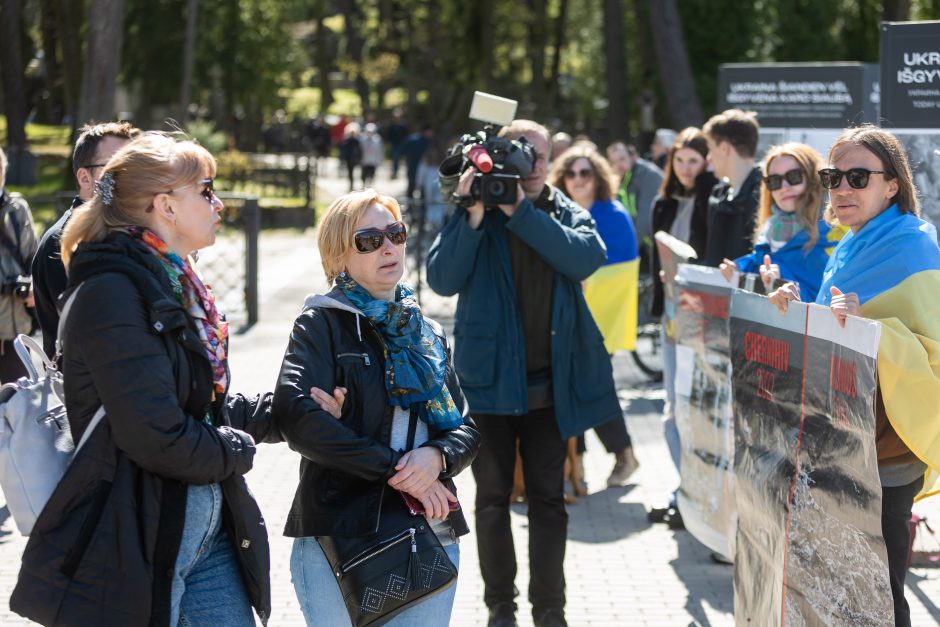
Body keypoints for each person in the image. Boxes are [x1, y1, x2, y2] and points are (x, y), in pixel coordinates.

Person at [10, 133, 278, 626]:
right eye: (206, 189)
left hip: (205, 523)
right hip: (140, 533)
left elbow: (198, 406)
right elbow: (155, 434)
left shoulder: (175, 280)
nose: (218, 203)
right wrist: (237, 452)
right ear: (166, 206)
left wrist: (289, 409)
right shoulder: (110, 292)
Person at [426, 119, 621, 627]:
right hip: (488, 386)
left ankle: (549, 610)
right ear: (497, 155)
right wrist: (471, 212)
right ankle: (500, 608)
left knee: (548, 502)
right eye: (518, 153)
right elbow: (442, 279)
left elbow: (583, 259)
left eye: (538, 154)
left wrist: (518, 210)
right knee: (490, 501)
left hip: (550, 388)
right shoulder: (476, 210)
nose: (530, 164)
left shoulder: (559, 208)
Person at [274, 189, 480, 626]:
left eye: (395, 233)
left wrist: (436, 456)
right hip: (340, 533)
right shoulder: (321, 324)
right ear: (338, 256)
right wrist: (401, 472)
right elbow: (298, 419)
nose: (389, 247)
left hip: (428, 529)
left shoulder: (427, 332)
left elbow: (466, 428)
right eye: (368, 240)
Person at [767, 125, 940, 627]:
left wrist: (871, 329)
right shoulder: (851, 245)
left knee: (881, 597)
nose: (841, 188)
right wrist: (790, 312)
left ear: (892, 185)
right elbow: (832, 331)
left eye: (858, 177)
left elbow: (933, 358)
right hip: (840, 443)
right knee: (846, 594)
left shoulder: (915, 250)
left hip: (887, 452)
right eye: (833, 176)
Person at [548, 144, 640, 488]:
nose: (577, 180)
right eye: (570, 173)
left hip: (600, 319)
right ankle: (580, 464)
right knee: (572, 387)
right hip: (566, 316)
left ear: (598, 176)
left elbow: (618, 268)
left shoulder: (613, 214)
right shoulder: (558, 211)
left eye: (585, 172)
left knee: (592, 385)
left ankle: (620, 454)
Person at [646, 127, 717, 529]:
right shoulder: (664, 201)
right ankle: (682, 486)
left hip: (704, 317)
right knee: (673, 408)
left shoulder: (713, 195)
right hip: (672, 313)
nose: (688, 169)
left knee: (700, 410)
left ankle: (699, 490)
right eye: (681, 160)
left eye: (696, 160)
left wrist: (706, 180)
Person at [31, 120, 140, 356]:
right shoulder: (62, 242)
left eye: (133, 166)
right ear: (84, 178)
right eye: (114, 166)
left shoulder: (132, 231)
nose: (127, 176)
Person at [718, 142, 845, 301]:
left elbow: (824, 298)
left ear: (812, 177)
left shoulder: (833, 230)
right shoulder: (771, 227)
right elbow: (762, 262)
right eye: (774, 181)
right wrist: (738, 268)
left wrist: (782, 278)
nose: (784, 187)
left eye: (793, 177)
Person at [701, 109, 762, 267]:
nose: (708, 158)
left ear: (724, 148)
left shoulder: (764, 194)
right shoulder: (719, 193)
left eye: (710, 149)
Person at [0, 147, 39, 382]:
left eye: (0, 168)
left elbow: (33, 257)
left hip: (15, 328)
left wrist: (35, 285)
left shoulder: (17, 209)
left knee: (23, 405)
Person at [606, 141, 663, 265]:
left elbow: (644, 218)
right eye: (613, 162)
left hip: (654, 244)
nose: (618, 165)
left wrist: (627, 252)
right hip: (639, 245)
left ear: (633, 156)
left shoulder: (649, 176)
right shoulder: (621, 178)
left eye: (622, 159)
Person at [385, 109, 409, 179]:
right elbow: (389, 134)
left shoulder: (403, 124)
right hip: (394, 144)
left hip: (402, 144)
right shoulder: (391, 125)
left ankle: (406, 173)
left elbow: (406, 135)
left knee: (405, 159)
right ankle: (395, 172)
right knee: (395, 158)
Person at [339, 122, 363, 192]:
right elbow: (343, 150)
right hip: (349, 159)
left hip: (355, 159)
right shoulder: (346, 140)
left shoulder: (358, 141)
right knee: (350, 172)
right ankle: (351, 185)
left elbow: (360, 150)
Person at [359, 122, 383, 188]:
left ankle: (370, 185)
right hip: (364, 160)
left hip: (373, 160)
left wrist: (380, 160)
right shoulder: (362, 139)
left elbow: (379, 151)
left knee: (371, 174)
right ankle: (364, 185)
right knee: (364, 174)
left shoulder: (377, 139)